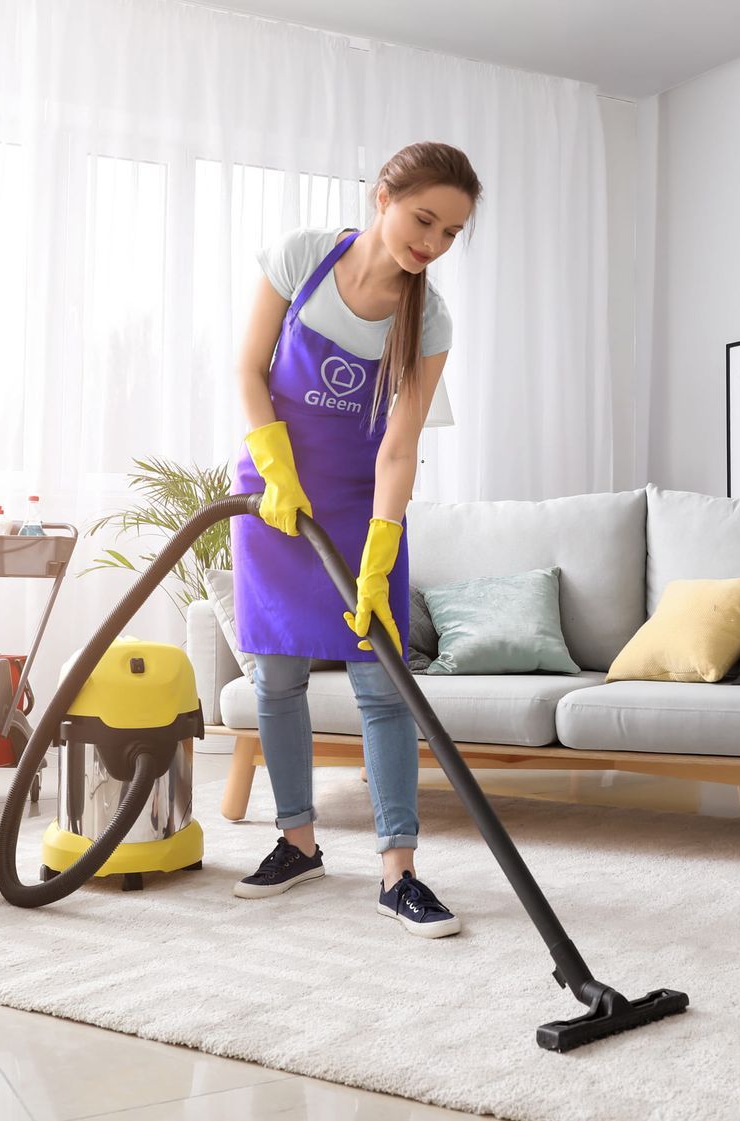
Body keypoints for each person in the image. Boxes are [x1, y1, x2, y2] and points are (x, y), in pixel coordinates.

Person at [228, 142, 480, 938]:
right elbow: (246, 369)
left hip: (360, 502)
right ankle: (296, 841)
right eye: (424, 219)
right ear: (383, 198)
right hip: (276, 494)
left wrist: (380, 546)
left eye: (450, 233)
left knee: (383, 686)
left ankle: (398, 870)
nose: (432, 244)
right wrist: (273, 465)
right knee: (276, 678)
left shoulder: (428, 317)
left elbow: (400, 445)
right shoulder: (303, 258)